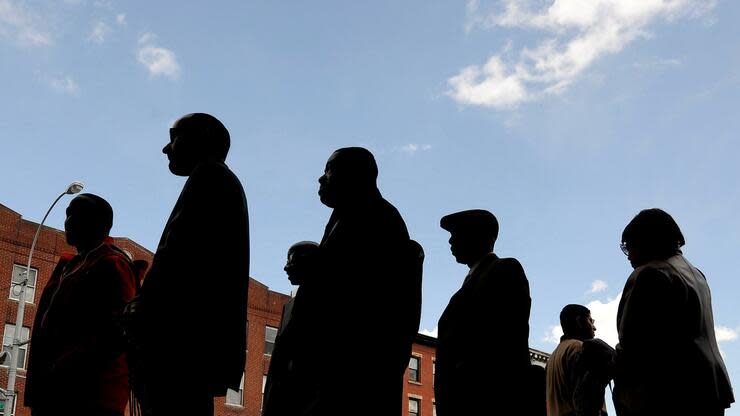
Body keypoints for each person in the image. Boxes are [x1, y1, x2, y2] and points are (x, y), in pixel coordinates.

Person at [129, 113, 250, 415]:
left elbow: (178, 255)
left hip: (180, 347)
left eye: (175, 137)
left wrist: (142, 306)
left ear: (202, 137)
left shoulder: (210, 176)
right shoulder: (218, 180)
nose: (166, 149)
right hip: (192, 348)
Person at [310, 147, 423, 415]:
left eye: (329, 170)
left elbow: (375, 303)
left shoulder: (377, 218)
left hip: (357, 371)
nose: (321, 179)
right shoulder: (348, 217)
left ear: (354, 175)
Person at [25, 194, 138, 416]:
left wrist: (67, 366)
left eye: (76, 214)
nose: (67, 221)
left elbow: (119, 331)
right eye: (67, 214)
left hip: (90, 397)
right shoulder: (72, 266)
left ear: (99, 222)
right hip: (54, 392)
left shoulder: (112, 264)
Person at [614, 208, 734, 416]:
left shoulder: (650, 274)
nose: (628, 257)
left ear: (646, 241)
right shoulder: (698, 275)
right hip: (710, 389)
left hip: (669, 394)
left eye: (629, 247)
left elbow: (633, 344)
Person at [435, 209, 532, 415]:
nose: (450, 241)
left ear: (480, 236)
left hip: (487, 401)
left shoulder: (505, 269)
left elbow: (508, 338)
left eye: (457, 233)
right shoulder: (464, 289)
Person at [262, 241, 320, 416]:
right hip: (280, 397)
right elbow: (278, 358)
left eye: (292, 261)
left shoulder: (324, 303)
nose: (286, 268)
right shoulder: (288, 307)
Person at [546, 304, 615, 416]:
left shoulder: (552, 358)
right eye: (590, 321)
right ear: (579, 321)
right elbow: (586, 399)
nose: (594, 327)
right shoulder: (579, 348)